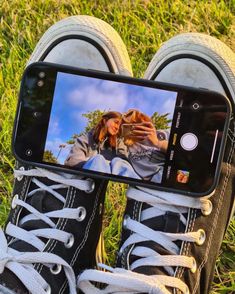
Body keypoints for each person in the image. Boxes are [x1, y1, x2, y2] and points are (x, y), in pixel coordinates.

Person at [0, 14, 234, 294]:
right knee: (98, 161)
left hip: (149, 169)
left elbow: (160, 159)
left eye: (121, 122)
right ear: (104, 122)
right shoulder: (88, 141)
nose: (117, 124)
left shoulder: (138, 140)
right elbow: (76, 160)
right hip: (102, 159)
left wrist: (154, 142)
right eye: (113, 120)